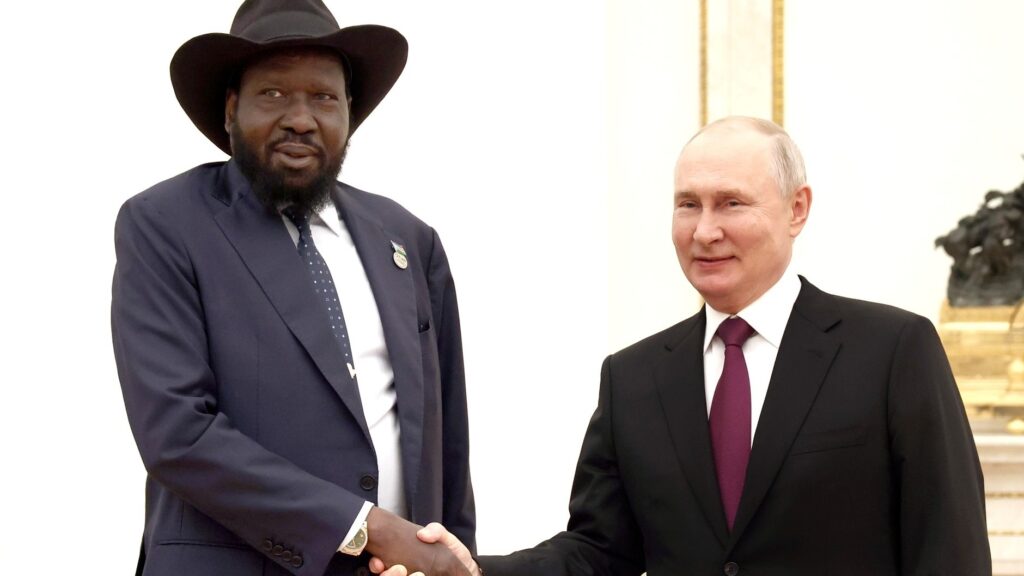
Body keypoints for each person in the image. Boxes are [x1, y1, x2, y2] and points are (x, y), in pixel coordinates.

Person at [374, 117, 991, 575]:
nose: (705, 231)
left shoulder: (892, 351)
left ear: (797, 209)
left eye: (731, 204)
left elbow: (949, 548)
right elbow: (597, 552)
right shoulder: (633, 378)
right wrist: (471, 572)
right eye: (687, 205)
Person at [111, 1, 475, 574]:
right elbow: (178, 433)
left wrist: (454, 556)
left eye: (324, 97)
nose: (301, 119)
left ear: (349, 112)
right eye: (274, 94)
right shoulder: (165, 224)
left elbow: (444, 435)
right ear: (231, 109)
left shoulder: (407, 239)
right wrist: (367, 527)